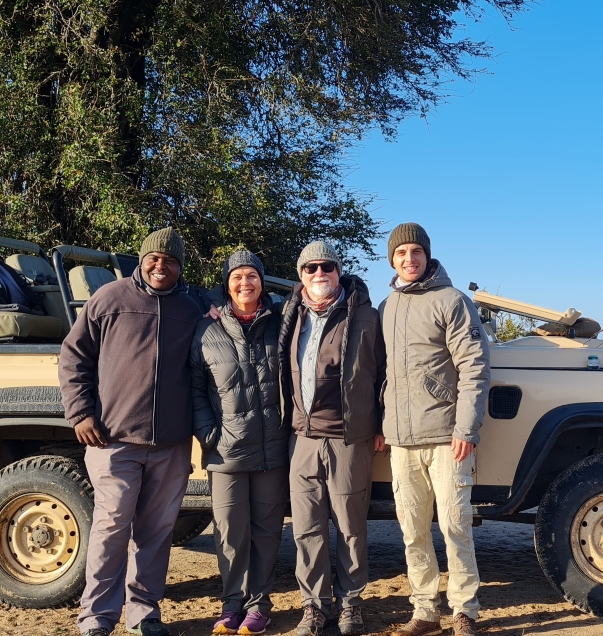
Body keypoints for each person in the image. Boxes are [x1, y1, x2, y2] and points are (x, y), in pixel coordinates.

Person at [59, 227, 206, 636]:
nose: (161, 266)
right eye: (154, 259)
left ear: (180, 267)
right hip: (112, 440)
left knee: (156, 534)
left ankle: (143, 613)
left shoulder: (189, 310)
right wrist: (80, 413)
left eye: (171, 261)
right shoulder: (109, 298)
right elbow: (73, 358)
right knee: (110, 529)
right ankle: (97, 618)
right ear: (142, 260)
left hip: (171, 445)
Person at [378, 223, 490, 636]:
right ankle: (425, 610)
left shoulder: (453, 300)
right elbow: (379, 373)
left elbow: (474, 368)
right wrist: (380, 424)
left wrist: (466, 428)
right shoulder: (386, 306)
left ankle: (465, 610)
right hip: (401, 441)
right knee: (412, 530)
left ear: (427, 255)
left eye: (415, 252)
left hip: (447, 437)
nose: (409, 259)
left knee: (455, 526)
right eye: (401, 253)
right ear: (392, 259)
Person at [278, 241, 386, 636]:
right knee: (306, 526)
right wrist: (216, 308)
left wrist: (381, 425)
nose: (319, 274)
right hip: (301, 439)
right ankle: (314, 605)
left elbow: (385, 375)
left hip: (348, 437)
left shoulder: (366, 316)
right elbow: (241, 313)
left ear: (338, 271)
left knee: (350, 525)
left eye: (327, 267)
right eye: (310, 268)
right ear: (301, 275)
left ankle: (351, 603)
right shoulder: (288, 314)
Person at [190, 251, 289, 635]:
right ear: (227, 284)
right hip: (226, 452)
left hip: (272, 451)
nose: (245, 283)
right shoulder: (207, 331)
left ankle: (258, 606)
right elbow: (197, 390)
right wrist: (210, 435)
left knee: (266, 533)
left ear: (262, 282)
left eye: (252, 276)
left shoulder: (280, 324)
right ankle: (232, 605)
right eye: (237, 277)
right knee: (230, 532)